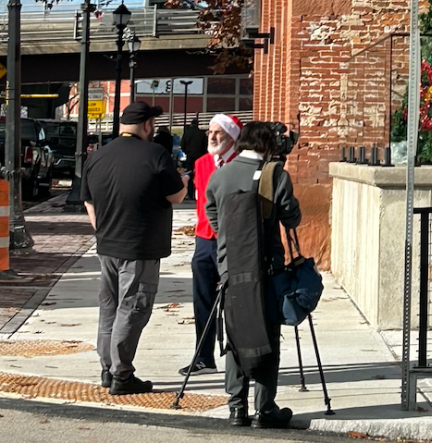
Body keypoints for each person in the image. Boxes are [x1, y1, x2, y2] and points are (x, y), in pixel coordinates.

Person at [80, 99, 187, 395]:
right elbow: (176, 196)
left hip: (107, 245)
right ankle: (122, 375)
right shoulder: (156, 154)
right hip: (140, 247)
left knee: (109, 309)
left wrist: (102, 230)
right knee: (133, 309)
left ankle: (107, 368)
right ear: (147, 125)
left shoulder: (98, 156)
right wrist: (186, 182)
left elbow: (88, 200)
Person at [206, 121, 301, 429]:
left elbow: (211, 214)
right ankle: (264, 409)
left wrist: (229, 239)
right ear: (266, 145)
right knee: (266, 336)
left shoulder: (219, 176)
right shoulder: (276, 176)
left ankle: (236, 408)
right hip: (267, 270)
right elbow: (292, 217)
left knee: (235, 334)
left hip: (231, 268)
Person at [179, 112, 242, 375]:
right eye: (211, 132)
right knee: (203, 298)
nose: (213, 137)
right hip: (204, 240)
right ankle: (204, 356)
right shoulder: (203, 163)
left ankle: (238, 356)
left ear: (233, 139)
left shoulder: (243, 164)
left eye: (219, 133)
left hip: (235, 242)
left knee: (236, 301)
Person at [180, 115, 207, 201]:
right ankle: (198, 193)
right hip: (199, 157)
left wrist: (187, 152)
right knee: (200, 176)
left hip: (190, 156)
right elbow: (205, 146)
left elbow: (182, 145)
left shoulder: (187, 133)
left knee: (188, 175)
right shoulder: (201, 133)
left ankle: (189, 193)